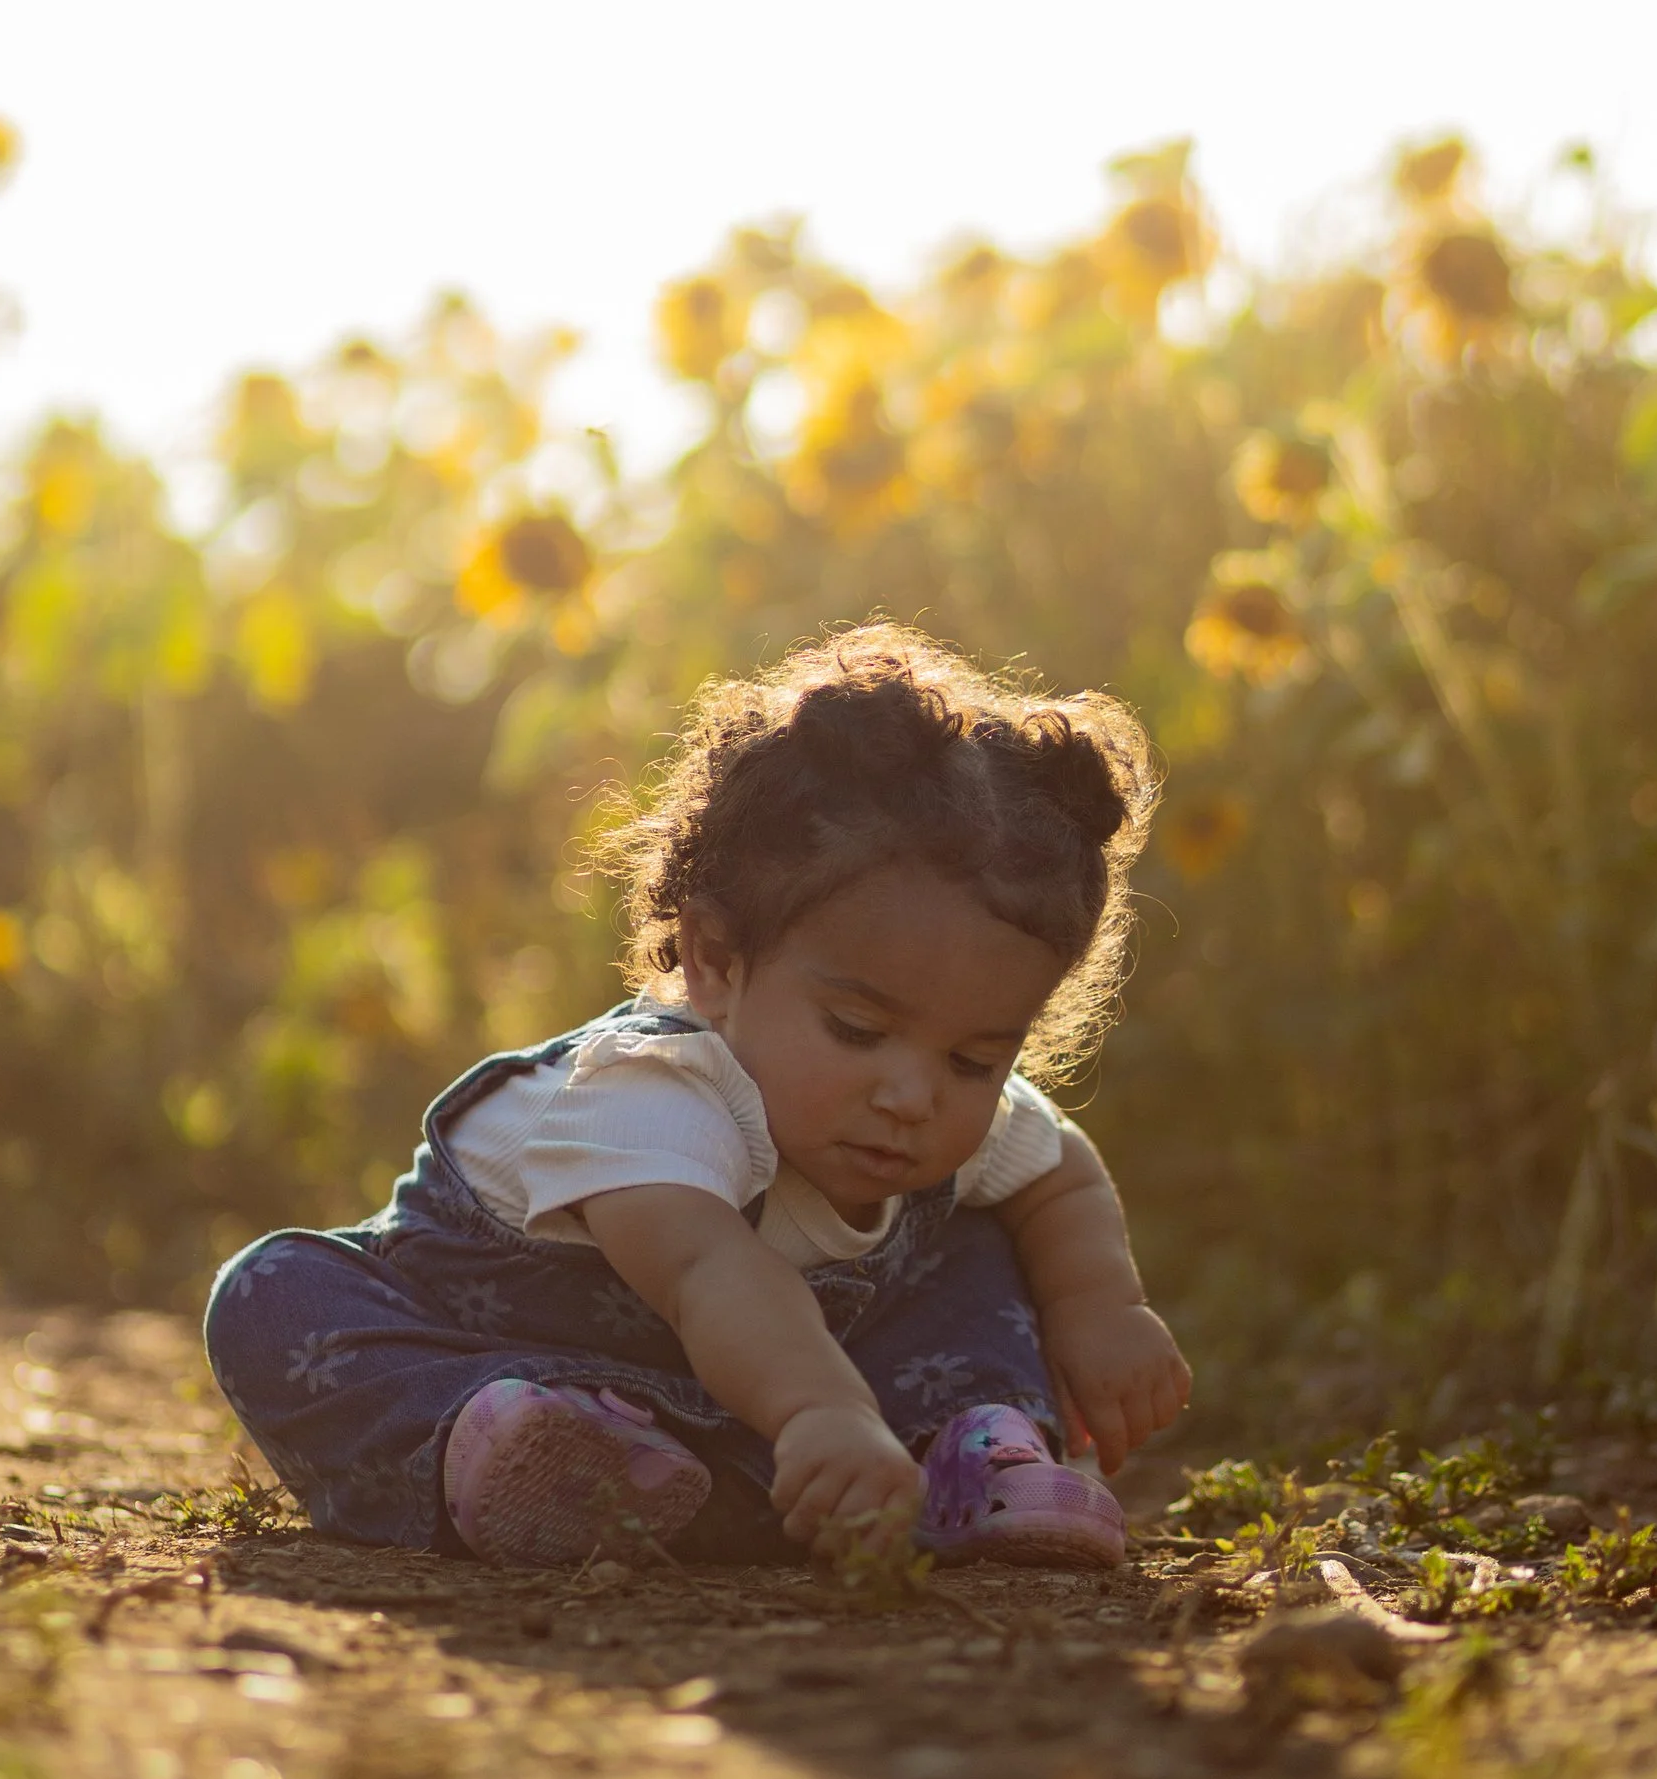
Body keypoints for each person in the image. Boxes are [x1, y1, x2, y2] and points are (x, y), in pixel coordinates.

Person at [205, 623, 1191, 1573]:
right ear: (717, 961)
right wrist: (825, 1415)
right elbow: (708, 1271)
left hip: (765, 1403)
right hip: (527, 1359)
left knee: (980, 1230)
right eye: (857, 1030)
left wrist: (1101, 1305)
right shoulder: (656, 1088)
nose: (911, 1093)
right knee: (273, 1293)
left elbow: (1056, 1170)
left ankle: (971, 1449)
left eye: (975, 1059)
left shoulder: (929, 1107)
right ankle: (493, 1447)